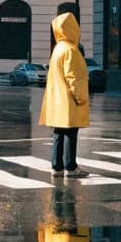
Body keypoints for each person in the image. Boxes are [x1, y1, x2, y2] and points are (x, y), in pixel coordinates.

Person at [39, 12, 90, 178]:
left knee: (58, 133)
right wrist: (79, 97)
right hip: (69, 99)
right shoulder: (71, 50)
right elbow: (73, 76)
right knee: (70, 133)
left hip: (57, 98)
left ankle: (57, 166)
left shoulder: (58, 49)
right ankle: (70, 166)